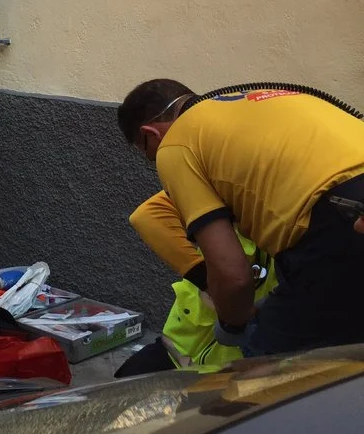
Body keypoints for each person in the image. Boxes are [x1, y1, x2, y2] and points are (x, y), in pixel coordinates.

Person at [119, 79, 364, 356]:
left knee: (262, 372)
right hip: (349, 212)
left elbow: (233, 276)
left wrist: (233, 323)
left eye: (148, 155)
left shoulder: (176, 145)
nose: (155, 161)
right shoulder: (260, 100)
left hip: (339, 222)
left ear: (150, 133)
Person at [116, 191, 277, 377]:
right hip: (174, 351)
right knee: (120, 387)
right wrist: (206, 280)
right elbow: (146, 216)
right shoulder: (220, 187)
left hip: (232, 370)